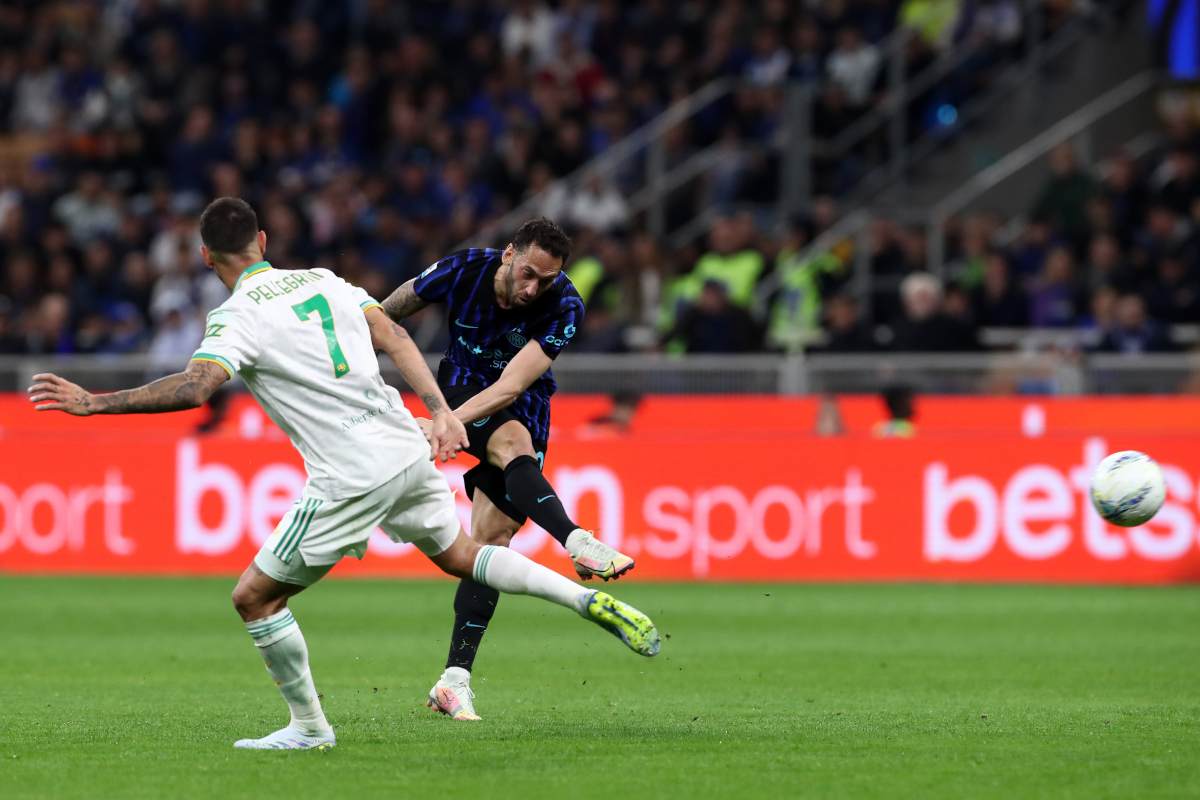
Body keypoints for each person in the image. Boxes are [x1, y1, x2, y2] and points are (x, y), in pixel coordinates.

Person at [28, 199, 659, 750]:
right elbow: (392, 332)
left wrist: (95, 403)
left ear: (204, 257)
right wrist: (438, 412)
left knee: (252, 597)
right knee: (466, 553)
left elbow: (196, 388)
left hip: (348, 474)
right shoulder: (324, 280)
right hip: (402, 440)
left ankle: (308, 727)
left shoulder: (236, 318)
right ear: (264, 243)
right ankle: (583, 597)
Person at [380, 217, 638, 721]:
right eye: (528, 273)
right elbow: (389, 311)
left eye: (546, 279)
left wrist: (442, 425)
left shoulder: (565, 305)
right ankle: (576, 541)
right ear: (508, 254)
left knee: (490, 544)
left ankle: (453, 681)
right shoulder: (464, 268)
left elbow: (511, 389)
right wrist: (345, 351)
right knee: (511, 441)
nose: (533, 288)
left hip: (515, 404)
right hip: (458, 388)